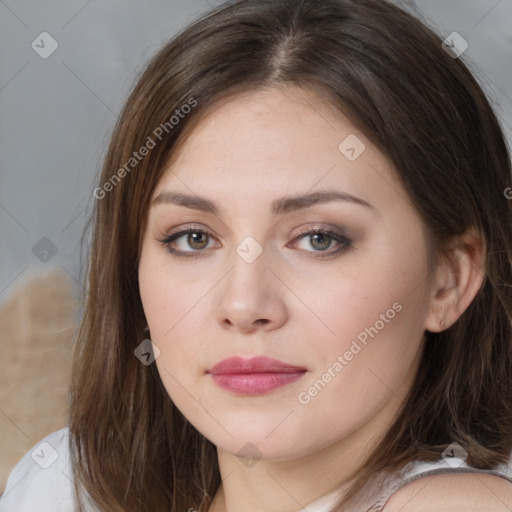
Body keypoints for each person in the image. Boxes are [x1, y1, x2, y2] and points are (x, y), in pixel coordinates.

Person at [2, 0, 512, 510]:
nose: (244, 305)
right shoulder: (63, 485)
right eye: (193, 238)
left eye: (319, 238)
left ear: (449, 279)